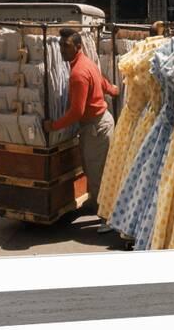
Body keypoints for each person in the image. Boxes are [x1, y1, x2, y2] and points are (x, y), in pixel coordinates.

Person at [43, 28, 119, 214]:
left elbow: (77, 111)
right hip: (99, 123)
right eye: (60, 45)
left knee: (97, 173)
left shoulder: (78, 73)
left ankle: (107, 216)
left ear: (78, 47)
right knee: (98, 170)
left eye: (66, 46)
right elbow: (101, 81)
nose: (61, 50)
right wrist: (112, 90)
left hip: (95, 127)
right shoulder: (86, 62)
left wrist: (53, 126)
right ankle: (101, 207)